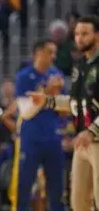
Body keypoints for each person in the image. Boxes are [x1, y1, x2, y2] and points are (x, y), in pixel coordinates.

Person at [27, 16, 99, 211]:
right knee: (78, 202)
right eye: (76, 34)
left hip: (95, 138)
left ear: (97, 35)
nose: (79, 38)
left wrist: (91, 131)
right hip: (82, 140)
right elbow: (75, 103)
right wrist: (47, 100)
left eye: (85, 34)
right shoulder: (79, 66)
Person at [9, 39, 65, 211]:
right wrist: (48, 92)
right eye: (50, 52)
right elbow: (26, 111)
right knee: (24, 185)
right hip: (30, 138)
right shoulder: (24, 77)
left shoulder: (57, 75)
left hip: (54, 137)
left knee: (57, 188)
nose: (53, 56)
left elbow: (65, 111)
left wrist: (54, 97)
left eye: (55, 52)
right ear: (38, 53)